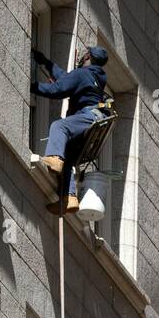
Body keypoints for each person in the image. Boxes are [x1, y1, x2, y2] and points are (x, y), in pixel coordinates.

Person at [31, 46, 109, 215]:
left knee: (60, 126)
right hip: (93, 120)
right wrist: (46, 63)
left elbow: (58, 89)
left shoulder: (82, 74)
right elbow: (66, 79)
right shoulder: (94, 76)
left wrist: (31, 86)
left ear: (87, 56)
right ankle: (69, 197)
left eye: (85, 54)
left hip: (88, 116)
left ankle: (54, 158)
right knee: (69, 158)